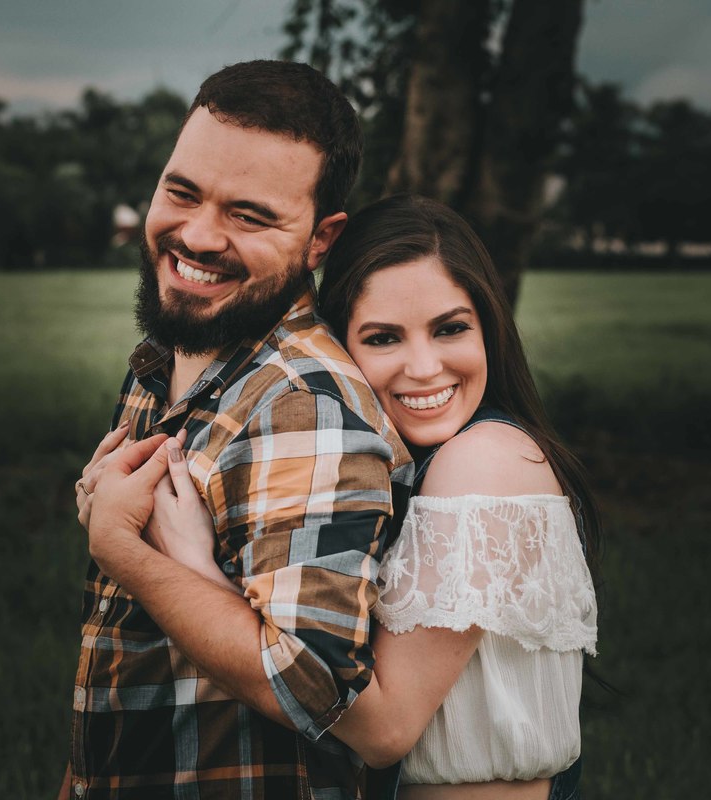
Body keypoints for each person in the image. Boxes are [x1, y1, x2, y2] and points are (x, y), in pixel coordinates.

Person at [106, 194, 601, 800]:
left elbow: (384, 729)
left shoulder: (485, 462)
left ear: (489, 327)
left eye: (450, 329)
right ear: (342, 349)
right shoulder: (413, 466)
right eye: (384, 338)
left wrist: (185, 564)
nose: (423, 367)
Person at [62, 61, 413, 800]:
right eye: (180, 192)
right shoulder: (169, 355)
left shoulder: (304, 403)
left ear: (321, 239)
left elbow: (314, 683)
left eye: (250, 216)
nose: (196, 235)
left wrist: (122, 549)